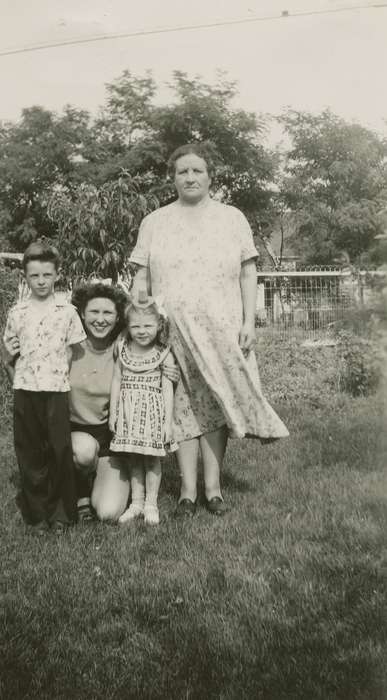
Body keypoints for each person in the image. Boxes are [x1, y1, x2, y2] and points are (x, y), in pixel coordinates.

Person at [129, 143, 289, 518]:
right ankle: (187, 491)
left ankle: (213, 489)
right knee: (183, 404)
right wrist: (142, 320)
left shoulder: (232, 218)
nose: (190, 177)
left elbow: (249, 271)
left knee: (217, 401)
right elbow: (141, 275)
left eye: (197, 170)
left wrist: (250, 320)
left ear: (209, 176)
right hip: (172, 331)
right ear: (173, 179)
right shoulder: (155, 221)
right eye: (182, 171)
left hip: (223, 328)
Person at [3, 240, 86, 533]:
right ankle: (36, 515)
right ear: (25, 276)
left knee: (59, 450)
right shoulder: (17, 313)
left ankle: (61, 512)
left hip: (57, 390)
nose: (41, 281)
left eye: (46, 275)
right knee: (30, 452)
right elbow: (9, 355)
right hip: (26, 391)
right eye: (35, 275)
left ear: (57, 274)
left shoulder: (67, 311)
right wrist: (15, 376)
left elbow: (77, 353)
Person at [109, 292, 177, 526]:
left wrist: (168, 422)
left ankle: (151, 503)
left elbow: (168, 389)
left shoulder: (163, 353)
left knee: (151, 460)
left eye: (148, 325)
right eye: (136, 325)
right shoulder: (123, 349)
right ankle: (136, 502)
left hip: (152, 415)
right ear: (128, 326)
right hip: (128, 413)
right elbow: (117, 379)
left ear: (159, 325)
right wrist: (114, 411)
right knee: (134, 458)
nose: (142, 330)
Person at [69, 282, 131, 523]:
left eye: (108, 313)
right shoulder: (68, 348)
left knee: (108, 512)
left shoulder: (122, 349)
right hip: (74, 436)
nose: (100, 319)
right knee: (83, 451)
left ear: (117, 318)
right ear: (82, 314)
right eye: (94, 312)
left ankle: (99, 477)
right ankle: (80, 491)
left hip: (108, 440)